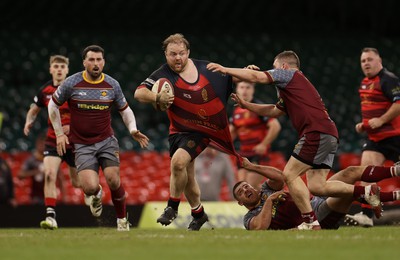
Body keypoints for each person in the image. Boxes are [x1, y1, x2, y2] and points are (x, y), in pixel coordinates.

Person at [207, 50, 382, 230]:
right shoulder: (292, 89)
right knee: (318, 186)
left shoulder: (288, 74)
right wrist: (246, 105)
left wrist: (225, 69)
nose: (273, 72)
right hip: (324, 131)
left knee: (289, 174)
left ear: (283, 66)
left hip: (315, 131)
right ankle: (368, 191)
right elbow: (274, 111)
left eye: (274, 68)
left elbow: (256, 77)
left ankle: (310, 222)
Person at [134, 33, 245, 231]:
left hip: (202, 130)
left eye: (181, 53)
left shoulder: (206, 68)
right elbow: (139, 93)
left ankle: (172, 207)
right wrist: (156, 96)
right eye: (172, 54)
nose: (177, 58)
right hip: (178, 131)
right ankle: (198, 214)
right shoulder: (163, 73)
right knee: (188, 176)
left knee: (178, 162)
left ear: (188, 53)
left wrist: (246, 72)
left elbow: (229, 75)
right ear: (166, 55)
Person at [48, 45, 149, 231]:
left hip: (106, 141)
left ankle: (121, 220)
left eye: (99, 60)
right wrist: (59, 134)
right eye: (92, 60)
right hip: (82, 145)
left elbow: (125, 110)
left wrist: (133, 129)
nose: (96, 63)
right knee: (88, 187)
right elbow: (52, 106)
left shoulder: (112, 84)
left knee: (113, 179)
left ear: (104, 62)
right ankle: (96, 194)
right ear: (84, 62)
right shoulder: (71, 83)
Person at [234, 158, 400, 230]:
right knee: (347, 193)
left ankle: (395, 170)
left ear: (253, 187)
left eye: (246, 186)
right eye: (241, 192)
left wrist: (252, 167)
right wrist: (270, 201)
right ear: (240, 203)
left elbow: (280, 177)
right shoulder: (249, 217)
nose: (246, 190)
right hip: (317, 217)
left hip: (317, 200)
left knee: (350, 172)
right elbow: (259, 227)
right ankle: (393, 196)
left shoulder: (265, 189)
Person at [23, 55, 82, 229]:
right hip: (53, 140)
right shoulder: (45, 90)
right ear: (50, 69)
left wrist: (72, 127)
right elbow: (34, 109)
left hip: (74, 141)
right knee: (49, 174)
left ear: (67, 70)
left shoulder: (75, 89)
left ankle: (94, 190)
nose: (58, 69)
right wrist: (28, 121)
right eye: (55, 66)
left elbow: (85, 113)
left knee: (78, 183)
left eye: (62, 66)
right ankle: (50, 216)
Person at [345, 47, 400, 227]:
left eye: (369, 59)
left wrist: (382, 120)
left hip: (395, 136)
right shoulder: (363, 82)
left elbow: (398, 104)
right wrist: (364, 124)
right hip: (375, 139)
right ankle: (366, 215)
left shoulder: (388, 79)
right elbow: (372, 109)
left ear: (379, 61)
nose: (366, 63)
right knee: (367, 174)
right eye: (363, 61)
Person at [230, 81, 281, 189]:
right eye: (242, 87)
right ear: (237, 90)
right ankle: (265, 199)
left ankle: (267, 201)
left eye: (248, 87)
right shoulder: (236, 111)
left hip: (258, 153)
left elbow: (275, 126)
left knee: (250, 185)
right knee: (242, 186)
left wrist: (264, 144)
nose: (244, 90)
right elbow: (232, 131)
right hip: (243, 152)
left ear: (253, 90)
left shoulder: (258, 107)